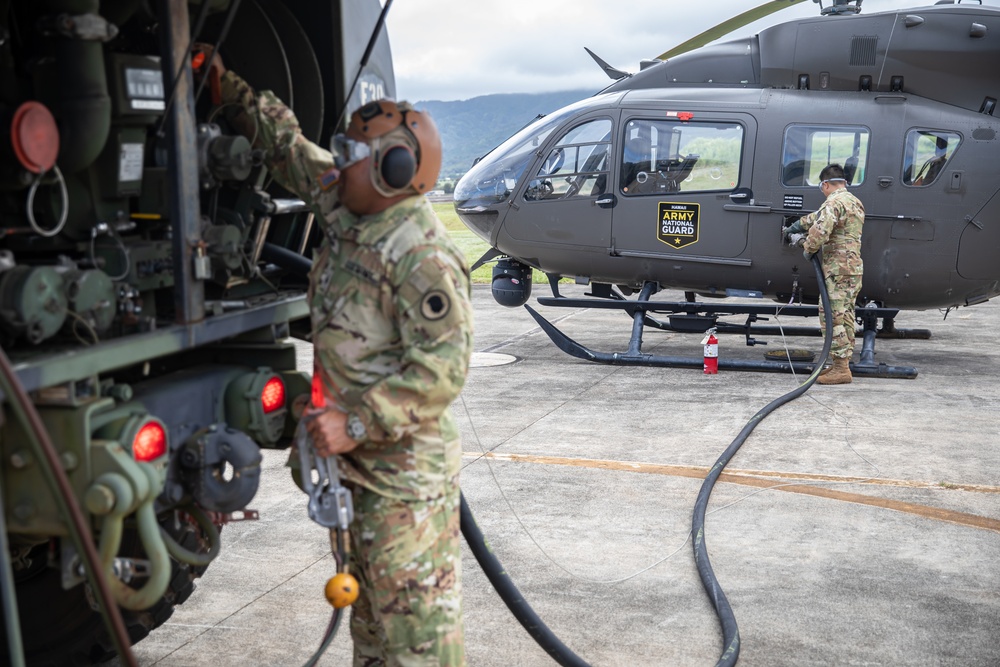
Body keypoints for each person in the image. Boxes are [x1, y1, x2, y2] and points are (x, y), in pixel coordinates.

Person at [200, 47, 473, 665]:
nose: (337, 165)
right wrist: (228, 86)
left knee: (419, 644)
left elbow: (442, 371)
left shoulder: (421, 254)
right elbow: (292, 153)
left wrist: (352, 423)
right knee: (372, 636)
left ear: (392, 169)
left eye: (350, 156)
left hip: (402, 487)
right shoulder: (351, 209)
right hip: (353, 480)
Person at [783, 164, 865, 385]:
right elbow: (817, 218)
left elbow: (820, 230)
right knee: (846, 314)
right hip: (852, 269)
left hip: (837, 270)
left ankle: (841, 369)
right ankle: (842, 364)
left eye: (822, 189)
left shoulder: (833, 202)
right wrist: (797, 225)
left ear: (826, 184)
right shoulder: (853, 202)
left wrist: (807, 246)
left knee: (831, 315)